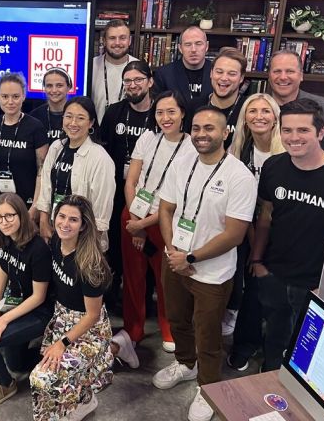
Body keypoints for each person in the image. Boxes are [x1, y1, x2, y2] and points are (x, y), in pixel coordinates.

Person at [252, 98, 324, 371]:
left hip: (317, 284)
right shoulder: (273, 167)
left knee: (307, 356)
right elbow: (266, 217)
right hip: (274, 275)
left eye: (303, 130)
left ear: (321, 133)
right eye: (287, 130)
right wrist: (258, 263)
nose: (294, 138)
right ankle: (270, 383)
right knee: (274, 338)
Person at [155, 106, 257, 421]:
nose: (201, 134)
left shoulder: (239, 175)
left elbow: (235, 234)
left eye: (210, 128)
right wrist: (174, 252)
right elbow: (166, 209)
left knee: (208, 333)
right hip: (175, 260)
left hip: (211, 272)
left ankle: (208, 387)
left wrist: (191, 258)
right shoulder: (182, 164)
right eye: (197, 128)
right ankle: (186, 364)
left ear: (226, 132)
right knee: (177, 319)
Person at [30, 195, 130, 421]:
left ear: (83, 225)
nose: (65, 224)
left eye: (73, 220)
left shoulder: (89, 264)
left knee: (42, 378)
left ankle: (109, 352)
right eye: (62, 217)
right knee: (62, 372)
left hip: (87, 327)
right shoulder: (56, 242)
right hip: (61, 316)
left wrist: (62, 342)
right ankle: (86, 397)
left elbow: (93, 315)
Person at [122, 90, 195, 355]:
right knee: (133, 279)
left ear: (182, 113)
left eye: (171, 112)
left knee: (167, 281)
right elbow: (131, 181)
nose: (165, 118)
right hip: (133, 216)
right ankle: (133, 329)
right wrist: (134, 220)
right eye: (160, 112)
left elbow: (177, 201)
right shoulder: (147, 138)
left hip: (165, 221)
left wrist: (144, 224)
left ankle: (168, 328)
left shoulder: (190, 147)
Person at [0, 193, 53, 409]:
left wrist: (4, 319)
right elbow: (3, 267)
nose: (4, 222)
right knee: (16, 363)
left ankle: (6, 385)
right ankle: (48, 356)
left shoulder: (38, 249)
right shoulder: (7, 239)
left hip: (39, 311)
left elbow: (39, 297)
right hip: (17, 304)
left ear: (21, 215)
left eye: (10, 215)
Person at [225, 93, 285, 370]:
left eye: (266, 111)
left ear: (275, 117)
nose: (259, 116)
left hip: (279, 231)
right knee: (249, 288)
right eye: (252, 111)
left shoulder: (287, 149)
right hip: (245, 226)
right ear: (244, 119)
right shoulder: (239, 149)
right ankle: (245, 344)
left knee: (272, 291)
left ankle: (275, 350)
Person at [100, 60, 157, 311]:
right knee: (115, 246)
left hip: (150, 196)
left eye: (138, 80)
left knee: (148, 249)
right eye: (128, 81)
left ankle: (145, 302)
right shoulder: (114, 112)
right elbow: (103, 149)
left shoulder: (160, 113)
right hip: (116, 191)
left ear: (150, 81)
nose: (133, 85)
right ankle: (113, 299)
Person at [36, 97, 115, 255]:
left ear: (91, 123)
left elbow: (101, 211)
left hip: (83, 236)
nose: (73, 123)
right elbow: (46, 187)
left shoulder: (100, 158)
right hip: (55, 228)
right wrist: (44, 221)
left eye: (80, 118)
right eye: (69, 116)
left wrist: (89, 247)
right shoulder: (56, 147)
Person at [0, 72, 49, 214]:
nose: (10, 102)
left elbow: (42, 171)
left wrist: (35, 208)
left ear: (23, 96)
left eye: (16, 96)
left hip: (27, 203)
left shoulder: (35, 127)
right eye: (5, 97)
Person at [267, 49, 324, 157]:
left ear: (301, 75)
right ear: (269, 76)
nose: (283, 77)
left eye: (290, 71)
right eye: (277, 71)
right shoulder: (256, 108)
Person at [186, 47, 250, 149]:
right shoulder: (194, 106)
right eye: (219, 72)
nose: (224, 78)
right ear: (211, 73)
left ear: (241, 78)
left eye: (231, 74)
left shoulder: (249, 109)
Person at [91, 19, 137, 125]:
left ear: (129, 41)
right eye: (112, 38)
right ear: (104, 41)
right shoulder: (91, 66)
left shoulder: (139, 69)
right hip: (94, 131)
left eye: (122, 38)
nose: (117, 43)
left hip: (125, 132)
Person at [153, 26, 212, 105]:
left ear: (207, 46)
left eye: (198, 44)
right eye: (188, 44)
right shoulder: (164, 75)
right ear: (180, 48)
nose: (193, 50)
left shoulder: (218, 72)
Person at [30, 67, 72, 145]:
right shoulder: (34, 116)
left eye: (59, 85)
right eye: (49, 86)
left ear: (69, 87)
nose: (54, 90)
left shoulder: (78, 115)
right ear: (44, 88)